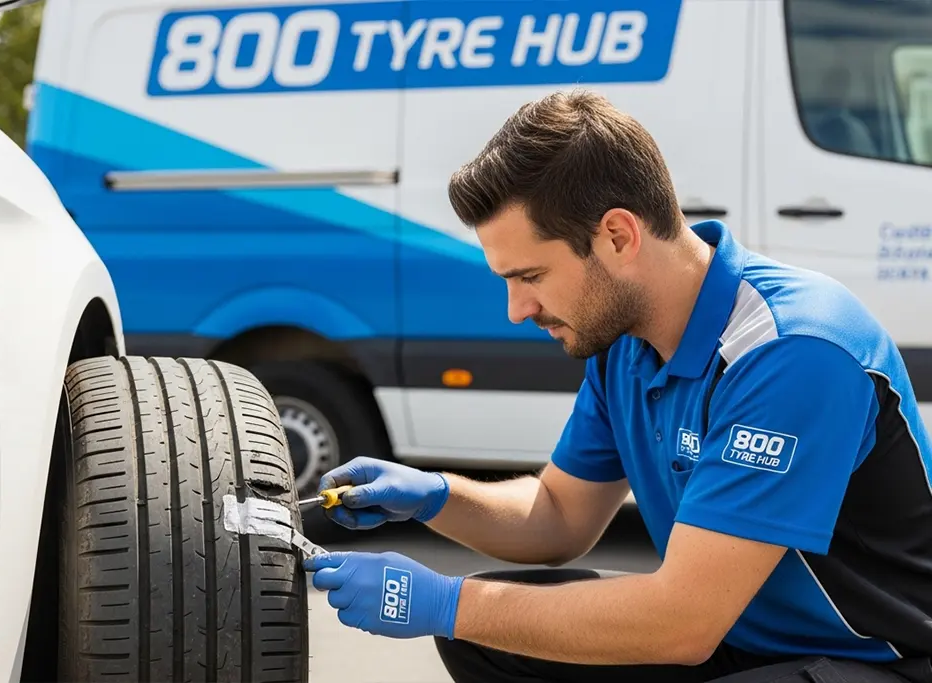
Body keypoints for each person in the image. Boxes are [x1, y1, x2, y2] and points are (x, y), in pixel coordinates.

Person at [302, 89, 932, 683]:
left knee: (471, 611)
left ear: (618, 236)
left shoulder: (793, 348)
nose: (516, 310)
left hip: (877, 662)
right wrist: (435, 497)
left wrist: (442, 600)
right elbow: (556, 519)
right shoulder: (624, 347)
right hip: (738, 643)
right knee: (489, 633)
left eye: (531, 275)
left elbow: (682, 622)